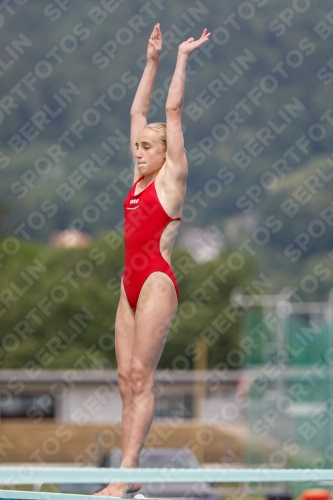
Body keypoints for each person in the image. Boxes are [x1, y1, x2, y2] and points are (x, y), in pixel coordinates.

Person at [95, 23, 210, 498]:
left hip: (157, 282)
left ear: (166, 153)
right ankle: (130, 471)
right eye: (137, 146)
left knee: (142, 377)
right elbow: (137, 110)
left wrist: (181, 58)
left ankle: (125, 474)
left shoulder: (171, 179)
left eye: (146, 147)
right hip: (129, 283)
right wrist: (151, 61)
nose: (138, 152)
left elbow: (170, 110)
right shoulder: (138, 179)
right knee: (125, 380)